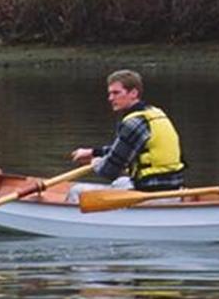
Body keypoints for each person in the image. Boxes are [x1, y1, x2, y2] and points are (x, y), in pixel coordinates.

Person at [67, 69, 185, 202]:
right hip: (173, 190)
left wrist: (94, 162)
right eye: (110, 93)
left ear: (133, 93)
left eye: (116, 93)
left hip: (151, 194)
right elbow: (124, 149)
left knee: (76, 191)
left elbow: (109, 171)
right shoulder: (155, 113)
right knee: (122, 181)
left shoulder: (133, 123)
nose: (110, 98)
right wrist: (94, 152)